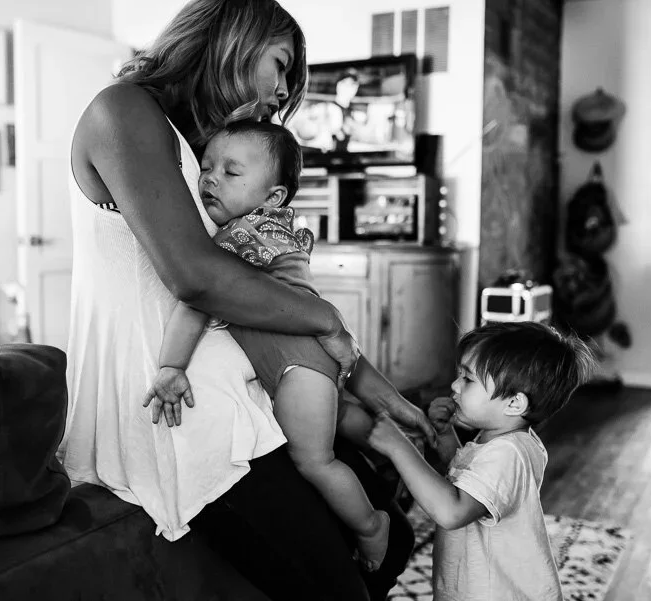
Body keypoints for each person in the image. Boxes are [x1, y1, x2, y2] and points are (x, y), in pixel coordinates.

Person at [59, 1, 428, 599]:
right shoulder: (122, 111)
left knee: (396, 536)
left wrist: (374, 388)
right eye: (279, 66)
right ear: (234, 38)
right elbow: (197, 278)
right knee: (337, 584)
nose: (281, 91)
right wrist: (331, 320)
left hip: (247, 382)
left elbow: (268, 290)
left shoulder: (206, 149)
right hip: (172, 404)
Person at [143, 120, 437, 571]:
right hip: (309, 362)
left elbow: (196, 301)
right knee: (340, 420)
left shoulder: (241, 236)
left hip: (297, 366)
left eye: (231, 172)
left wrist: (170, 366)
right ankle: (397, 444)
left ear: (274, 196)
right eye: (206, 168)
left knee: (315, 461)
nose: (211, 178)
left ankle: (371, 526)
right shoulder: (273, 226)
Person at [368, 321, 595, 600]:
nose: (454, 385)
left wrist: (398, 448)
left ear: (514, 404)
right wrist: (445, 435)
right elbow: (471, 481)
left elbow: (453, 511)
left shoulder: (508, 455)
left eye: (468, 379)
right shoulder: (504, 441)